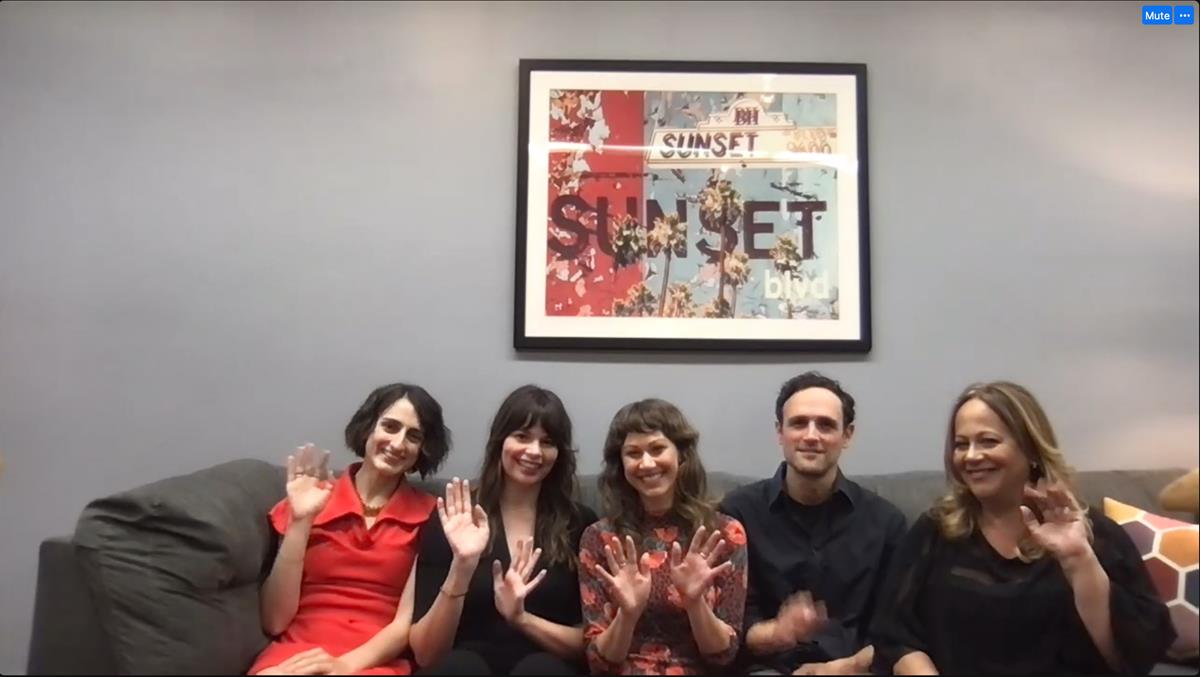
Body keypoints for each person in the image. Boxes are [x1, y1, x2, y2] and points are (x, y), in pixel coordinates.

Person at [870, 381, 1176, 675]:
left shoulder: (1093, 533)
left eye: (988, 441)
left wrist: (1078, 560)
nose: (971, 456)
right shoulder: (936, 530)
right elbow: (894, 635)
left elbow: (1130, 658)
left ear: (1031, 450)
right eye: (961, 444)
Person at [249, 382, 451, 675]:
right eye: (390, 427)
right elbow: (274, 621)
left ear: (422, 450)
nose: (397, 443)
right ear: (368, 427)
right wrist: (301, 521)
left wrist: (344, 666)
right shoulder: (311, 496)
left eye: (414, 436)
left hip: (374, 660)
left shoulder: (431, 516)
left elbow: (404, 625)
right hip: (299, 652)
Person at [719, 371, 907, 675]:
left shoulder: (887, 523)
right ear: (780, 432)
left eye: (826, 425)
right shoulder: (737, 513)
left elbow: (898, 632)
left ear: (847, 435)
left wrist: (845, 668)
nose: (811, 436)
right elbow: (730, 628)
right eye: (798, 423)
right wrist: (779, 632)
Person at [409, 385, 597, 675]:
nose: (534, 451)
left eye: (547, 442)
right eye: (522, 436)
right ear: (500, 441)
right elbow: (424, 653)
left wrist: (522, 619)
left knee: (540, 670)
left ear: (558, 453)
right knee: (463, 667)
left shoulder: (580, 524)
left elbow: (592, 646)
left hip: (546, 667)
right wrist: (462, 567)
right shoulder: (456, 517)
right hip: (463, 665)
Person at [578, 398, 748, 675]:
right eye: (633, 453)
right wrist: (627, 614)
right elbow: (600, 663)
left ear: (681, 455)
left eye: (657, 449)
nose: (646, 463)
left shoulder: (724, 534)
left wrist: (695, 603)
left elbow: (723, 656)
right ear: (620, 464)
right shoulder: (599, 538)